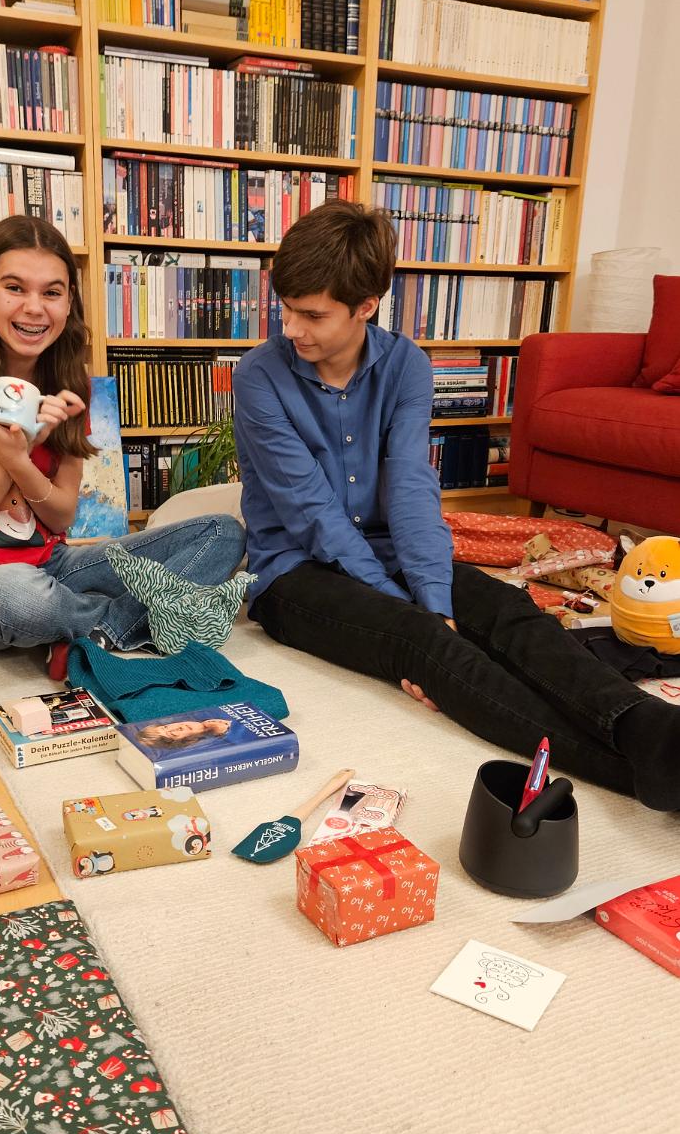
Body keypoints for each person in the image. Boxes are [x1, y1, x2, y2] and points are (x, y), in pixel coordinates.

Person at [233, 200, 680, 812]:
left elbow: (411, 488)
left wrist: (436, 597)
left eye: (311, 314)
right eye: (285, 308)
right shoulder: (259, 375)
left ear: (366, 307)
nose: (290, 328)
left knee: (504, 608)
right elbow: (311, 512)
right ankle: (633, 775)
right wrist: (415, 611)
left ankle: (649, 729)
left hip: (389, 549)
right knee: (422, 638)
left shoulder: (405, 364)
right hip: (295, 572)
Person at [0, 216, 245, 674]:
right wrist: (15, 451)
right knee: (22, 598)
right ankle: (137, 619)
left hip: (56, 565)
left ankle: (99, 629)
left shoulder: (69, 384)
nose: (34, 308)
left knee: (222, 532)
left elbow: (62, 516)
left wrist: (20, 459)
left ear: (68, 303)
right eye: (14, 288)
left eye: (52, 292)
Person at [134, 717, 232, 750]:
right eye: (171, 734)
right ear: (187, 742)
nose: (177, 728)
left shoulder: (203, 712)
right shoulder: (224, 741)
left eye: (165, 727)